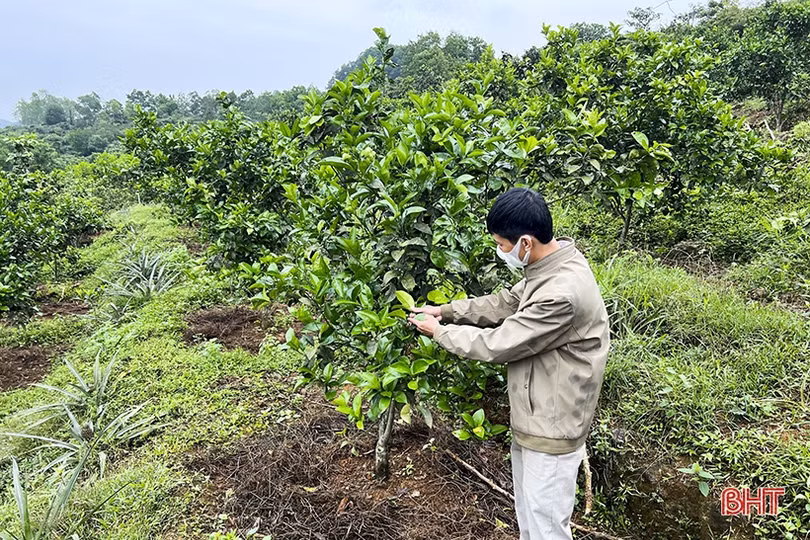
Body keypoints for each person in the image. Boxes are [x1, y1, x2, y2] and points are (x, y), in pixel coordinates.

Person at [407, 187, 610, 540]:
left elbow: (499, 344)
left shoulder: (560, 294)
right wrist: (446, 311)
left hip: (553, 426)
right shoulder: (552, 264)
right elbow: (507, 302)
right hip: (536, 416)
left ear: (526, 242)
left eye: (502, 244)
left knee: (547, 529)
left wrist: (439, 333)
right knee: (531, 520)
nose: (501, 251)